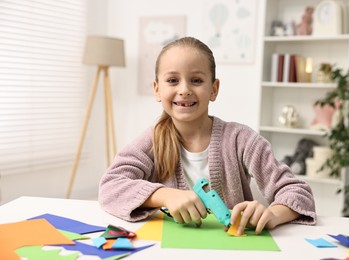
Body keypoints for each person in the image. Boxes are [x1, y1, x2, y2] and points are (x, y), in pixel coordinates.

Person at [99, 36, 316, 236]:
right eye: (173, 80)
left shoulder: (241, 139)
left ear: (214, 89)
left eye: (196, 80)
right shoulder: (152, 140)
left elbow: (298, 191)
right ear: (157, 89)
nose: (184, 89)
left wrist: (273, 214)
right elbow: (110, 187)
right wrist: (166, 195)